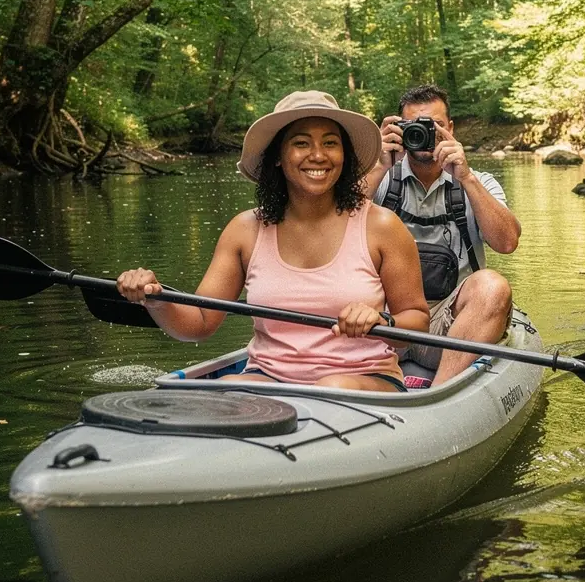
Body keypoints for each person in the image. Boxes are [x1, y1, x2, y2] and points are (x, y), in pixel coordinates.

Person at [116, 90, 429, 393]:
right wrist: (156, 300)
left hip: (361, 378)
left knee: (331, 388)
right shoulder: (245, 230)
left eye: (330, 144)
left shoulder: (383, 226)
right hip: (269, 377)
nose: (318, 155)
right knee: (228, 389)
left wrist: (382, 319)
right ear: (278, 157)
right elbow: (198, 323)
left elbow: (417, 322)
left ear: (344, 156)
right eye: (301, 143)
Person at [364, 84, 521, 385]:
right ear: (397, 129)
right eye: (413, 126)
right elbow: (333, 227)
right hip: (385, 322)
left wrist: (466, 177)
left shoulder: (478, 182)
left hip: (451, 327)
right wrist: (378, 164)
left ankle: (438, 394)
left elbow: (507, 242)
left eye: (434, 125)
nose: (424, 134)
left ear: (450, 128)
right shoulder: (379, 179)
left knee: (492, 286)